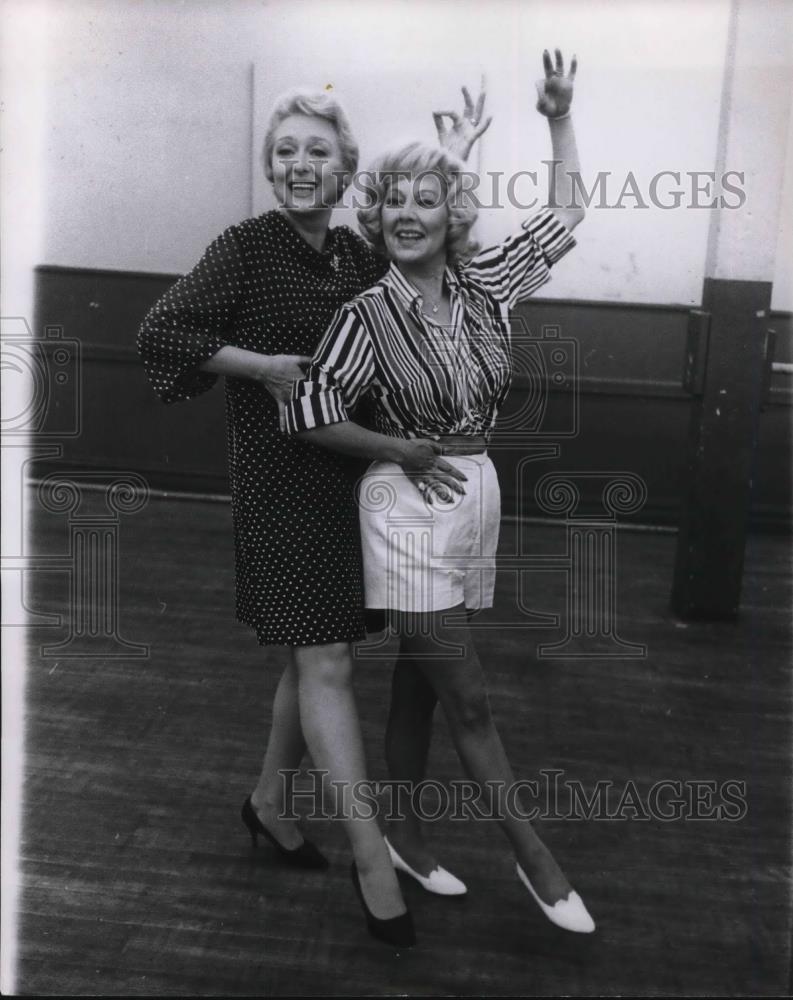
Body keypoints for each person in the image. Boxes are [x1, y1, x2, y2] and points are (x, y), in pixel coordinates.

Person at [137, 85, 489, 947]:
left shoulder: (355, 256)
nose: (301, 164)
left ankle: (267, 804)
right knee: (326, 658)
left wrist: (461, 157)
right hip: (279, 483)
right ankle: (371, 859)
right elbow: (160, 333)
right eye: (286, 150)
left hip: (357, 479)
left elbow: (440, 254)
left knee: (314, 658)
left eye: (317, 152)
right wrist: (259, 366)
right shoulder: (244, 248)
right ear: (270, 164)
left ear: (345, 169)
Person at [285, 49, 596, 933]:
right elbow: (308, 412)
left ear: (451, 215)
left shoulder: (486, 286)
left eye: (428, 201)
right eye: (393, 203)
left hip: (476, 495)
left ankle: (410, 841)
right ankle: (534, 856)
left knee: (420, 687)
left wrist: (557, 116)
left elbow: (568, 210)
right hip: (404, 507)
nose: (408, 216)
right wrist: (398, 448)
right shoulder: (363, 314)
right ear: (374, 217)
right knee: (468, 696)